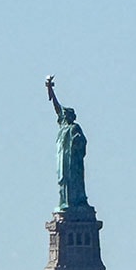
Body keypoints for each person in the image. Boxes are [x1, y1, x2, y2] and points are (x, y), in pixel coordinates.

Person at [45, 76, 89, 210]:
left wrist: (76, 142)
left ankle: (76, 202)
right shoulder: (64, 126)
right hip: (63, 161)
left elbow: (82, 142)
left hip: (73, 163)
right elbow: (57, 107)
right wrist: (50, 89)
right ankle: (65, 202)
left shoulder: (75, 128)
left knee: (73, 181)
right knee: (64, 180)